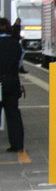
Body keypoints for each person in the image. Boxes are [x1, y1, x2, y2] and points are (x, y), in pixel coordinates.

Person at [0, 17, 24, 153]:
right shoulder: (16, 45)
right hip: (12, 83)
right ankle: (17, 145)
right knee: (13, 114)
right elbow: (20, 65)